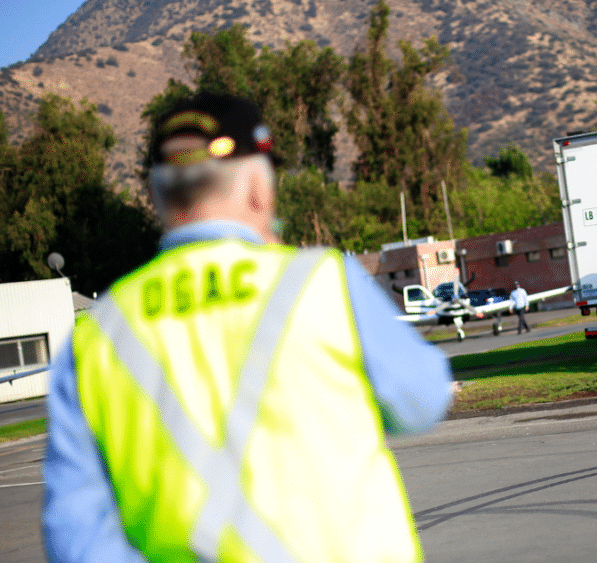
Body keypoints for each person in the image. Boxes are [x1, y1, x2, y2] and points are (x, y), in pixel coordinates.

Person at [41, 92, 454, 563]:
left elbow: (76, 536)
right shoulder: (321, 281)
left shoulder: (98, 335)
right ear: (259, 189)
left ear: (157, 196)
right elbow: (423, 398)